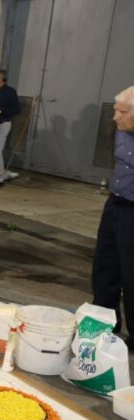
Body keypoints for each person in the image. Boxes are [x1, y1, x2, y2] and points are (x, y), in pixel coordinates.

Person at [92, 86, 134, 342]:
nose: (115, 117)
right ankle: (105, 323)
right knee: (105, 266)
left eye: (123, 112)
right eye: (116, 110)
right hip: (115, 205)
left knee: (131, 273)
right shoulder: (121, 133)